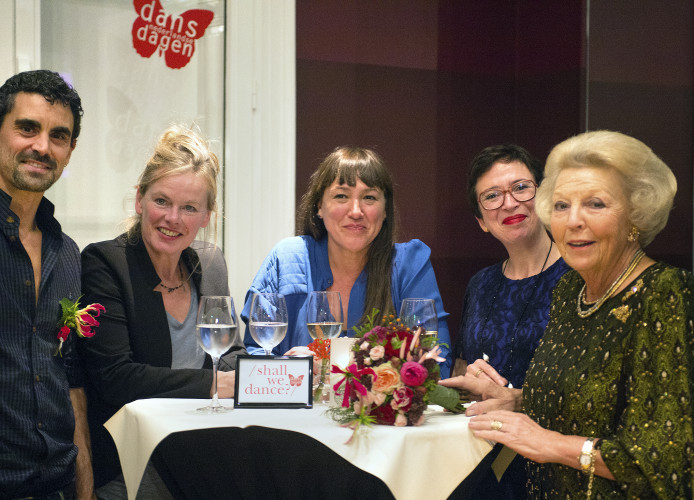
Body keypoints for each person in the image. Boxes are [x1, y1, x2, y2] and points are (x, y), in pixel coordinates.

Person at [458, 131, 693, 498]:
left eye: (595, 204)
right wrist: (514, 400)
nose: (574, 220)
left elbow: (663, 461)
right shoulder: (572, 292)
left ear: (635, 213)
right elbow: (573, 401)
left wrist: (548, 443)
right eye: (562, 205)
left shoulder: (667, 293)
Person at [78, 125, 245, 497]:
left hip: (202, 456)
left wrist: (283, 371)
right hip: (132, 469)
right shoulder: (105, 262)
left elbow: (231, 355)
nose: (173, 218)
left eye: (189, 208)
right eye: (162, 201)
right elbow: (116, 377)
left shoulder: (210, 263)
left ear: (206, 216)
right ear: (140, 199)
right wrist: (213, 384)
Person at [241, 146, 453, 377]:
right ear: (319, 207)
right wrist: (288, 369)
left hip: (375, 414)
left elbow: (436, 363)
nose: (355, 211)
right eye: (341, 196)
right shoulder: (286, 259)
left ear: (385, 211)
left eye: (369, 198)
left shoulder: (409, 264)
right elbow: (255, 358)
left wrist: (344, 367)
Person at [450, 144, 569, 499]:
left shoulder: (581, 276)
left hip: (553, 464)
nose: (509, 203)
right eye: (492, 196)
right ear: (482, 223)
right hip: (477, 461)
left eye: (520, 187)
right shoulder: (481, 284)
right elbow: (461, 366)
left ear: (543, 196)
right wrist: (467, 380)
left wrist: (518, 398)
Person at [0, 70, 95, 498]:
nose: (42, 146)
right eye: (27, 128)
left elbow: (69, 378)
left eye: (59, 135)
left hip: (55, 485)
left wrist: (86, 488)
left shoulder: (68, 254)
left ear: (70, 151)